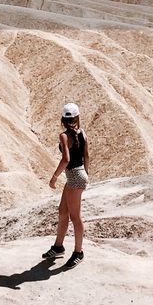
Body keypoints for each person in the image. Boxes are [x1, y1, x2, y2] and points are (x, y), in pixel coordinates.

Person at [43, 102, 91, 266]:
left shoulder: (64, 136)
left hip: (74, 177)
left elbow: (66, 159)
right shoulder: (82, 133)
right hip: (77, 175)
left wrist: (54, 177)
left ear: (62, 119)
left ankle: (79, 252)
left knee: (75, 217)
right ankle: (58, 246)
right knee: (63, 211)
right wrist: (85, 174)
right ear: (77, 118)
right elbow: (87, 155)